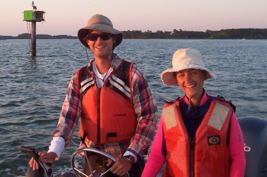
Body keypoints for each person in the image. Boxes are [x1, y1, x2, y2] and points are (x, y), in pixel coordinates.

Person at [27, 14, 158, 177]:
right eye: (93, 37)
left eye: (105, 36)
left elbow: (148, 118)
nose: (99, 41)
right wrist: (53, 152)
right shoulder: (79, 77)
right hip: (92, 158)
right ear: (87, 42)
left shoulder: (132, 75)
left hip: (125, 159)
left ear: (113, 40)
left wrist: (130, 156)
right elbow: (68, 118)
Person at [141, 48, 246, 177]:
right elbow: (157, 155)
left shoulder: (223, 112)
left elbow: (238, 157)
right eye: (181, 75)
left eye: (194, 73)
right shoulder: (169, 113)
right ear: (177, 80)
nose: (188, 80)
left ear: (203, 75)